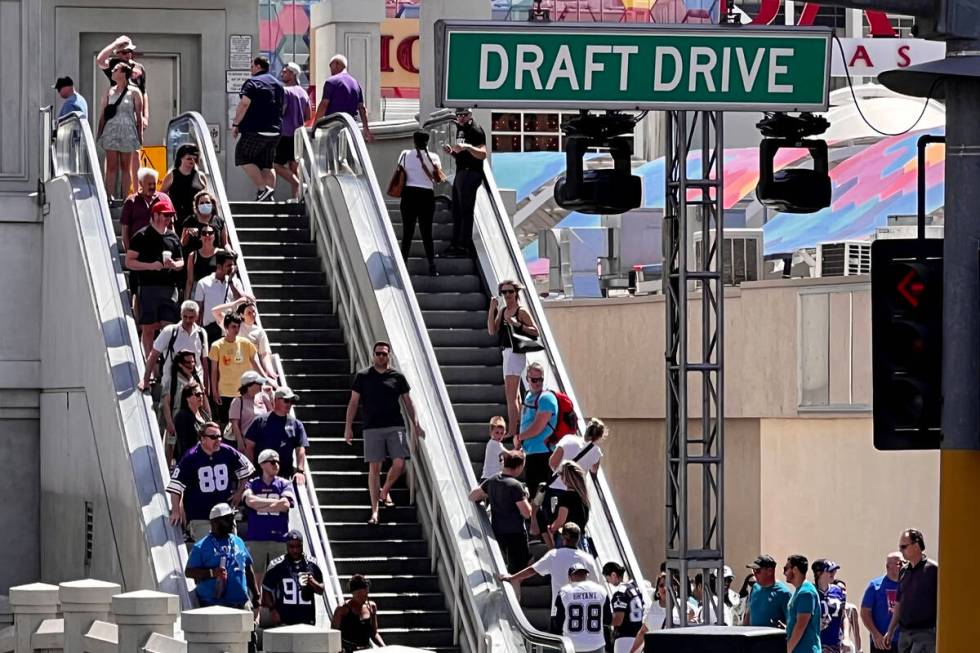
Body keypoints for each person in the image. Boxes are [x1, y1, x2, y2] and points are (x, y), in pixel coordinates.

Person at [344, 341, 424, 524]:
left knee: (399, 463)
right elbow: (354, 402)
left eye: (384, 354)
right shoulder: (363, 376)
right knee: (374, 468)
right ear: (373, 355)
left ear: (389, 356)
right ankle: (375, 511)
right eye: (378, 354)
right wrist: (348, 427)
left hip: (395, 425)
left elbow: (408, 401)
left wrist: (416, 424)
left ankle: (384, 490)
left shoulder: (397, 376)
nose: (381, 357)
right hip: (372, 427)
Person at [167, 423, 255, 541]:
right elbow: (176, 487)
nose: (218, 440)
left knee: (230, 550)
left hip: (225, 515)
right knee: (210, 549)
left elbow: (247, 470)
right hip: (201, 517)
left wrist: (239, 492)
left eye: (219, 436)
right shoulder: (191, 457)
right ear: (202, 438)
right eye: (213, 437)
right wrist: (176, 511)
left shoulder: (228, 451)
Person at [499, 523, 600, 619]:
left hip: (560, 612)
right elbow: (596, 586)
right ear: (577, 539)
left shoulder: (554, 555)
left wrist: (512, 578)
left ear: (563, 538)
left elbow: (532, 570)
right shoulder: (588, 559)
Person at [126, 195, 183, 359]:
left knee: (169, 326)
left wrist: (173, 265)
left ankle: (166, 361)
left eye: (170, 215)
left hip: (169, 288)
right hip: (148, 287)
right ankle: (150, 366)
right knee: (149, 327)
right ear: (156, 215)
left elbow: (182, 262)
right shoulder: (141, 236)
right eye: (166, 215)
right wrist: (150, 266)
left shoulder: (172, 236)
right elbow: (129, 261)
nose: (169, 219)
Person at [487, 279, 539, 436]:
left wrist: (517, 325)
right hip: (506, 352)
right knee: (514, 394)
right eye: (504, 292)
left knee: (511, 395)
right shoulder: (503, 311)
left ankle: (512, 430)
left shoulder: (521, 311)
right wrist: (492, 309)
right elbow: (492, 330)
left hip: (515, 353)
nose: (507, 295)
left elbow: (535, 331)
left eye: (510, 291)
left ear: (516, 292)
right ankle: (523, 424)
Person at [468, 449, 532, 573]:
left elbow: (473, 496)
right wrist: (526, 497)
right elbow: (526, 513)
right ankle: (516, 591)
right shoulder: (516, 486)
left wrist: (488, 495)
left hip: (497, 531)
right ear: (519, 467)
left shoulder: (493, 480)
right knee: (517, 571)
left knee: (504, 565)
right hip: (516, 533)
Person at [544, 416, 604, 545]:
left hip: (555, 488)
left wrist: (562, 475)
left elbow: (552, 462)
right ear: (599, 437)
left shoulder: (568, 439)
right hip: (576, 492)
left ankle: (554, 550)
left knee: (554, 523)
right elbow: (594, 471)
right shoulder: (596, 452)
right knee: (573, 529)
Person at [184, 502, 257, 609]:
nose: (232, 522)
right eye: (228, 519)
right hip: (213, 605)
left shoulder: (238, 541)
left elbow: (248, 568)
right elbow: (189, 572)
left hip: (241, 603)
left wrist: (256, 594)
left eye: (232, 518)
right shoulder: (201, 546)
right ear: (215, 522)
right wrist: (212, 573)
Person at [232, 56, 284, 202]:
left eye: (251, 65)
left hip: (256, 130)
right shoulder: (278, 84)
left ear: (257, 66)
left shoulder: (252, 82)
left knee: (242, 156)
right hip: (275, 131)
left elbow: (244, 104)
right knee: (267, 164)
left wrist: (236, 124)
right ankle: (268, 197)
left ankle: (263, 189)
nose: (250, 68)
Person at [517, 361, 557, 540]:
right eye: (534, 380)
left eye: (540, 379)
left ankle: (544, 533)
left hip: (543, 454)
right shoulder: (528, 397)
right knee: (535, 494)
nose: (537, 383)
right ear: (527, 379)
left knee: (540, 495)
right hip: (532, 453)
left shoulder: (546, 398)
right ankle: (536, 526)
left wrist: (520, 437)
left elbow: (538, 426)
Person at [243, 449, 295, 588]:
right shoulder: (252, 483)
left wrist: (260, 506)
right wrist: (273, 504)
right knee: (255, 578)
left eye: (278, 462)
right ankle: (256, 608)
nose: (276, 465)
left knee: (278, 578)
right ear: (262, 464)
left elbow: (285, 505)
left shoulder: (285, 483)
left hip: (279, 538)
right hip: (257, 537)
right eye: (272, 462)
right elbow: (249, 502)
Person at [396, 130, 443, 275]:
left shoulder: (405, 154)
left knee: (407, 232)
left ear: (414, 141)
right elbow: (437, 179)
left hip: (409, 195)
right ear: (427, 142)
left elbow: (399, 170)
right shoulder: (434, 157)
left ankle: (403, 263)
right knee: (426, 232)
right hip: (427, 196)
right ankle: (432, 265)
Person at [441, 108, 486, 257]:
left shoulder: (475, 130)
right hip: (461, 171)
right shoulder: (460, 130)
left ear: (470, 115)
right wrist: (452, 152)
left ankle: (464, 245)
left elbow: (482, 154)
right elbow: (462, 154)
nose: (460, 118)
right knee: (457, 210)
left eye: (464, 115)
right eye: (458, 115)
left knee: (465, 210)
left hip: (471, 172)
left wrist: (467, 147)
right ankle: (456, 243)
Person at [884, 529, 937, 653]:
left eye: (904, 546)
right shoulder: (904, 571)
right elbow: (899, 603)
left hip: (925, 633)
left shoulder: (933, 570)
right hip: (905, 634)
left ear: (916, 544)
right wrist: (890, 630)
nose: (901, 550)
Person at [98, 61, 144, 200]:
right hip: (111, 131)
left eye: (116, 69)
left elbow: (139, 116)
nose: (112, 71)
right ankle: (108, 196)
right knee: (111, 166)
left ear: (124, 73)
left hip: (127, 132)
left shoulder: (134, 92)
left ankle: (126, 198)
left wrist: (139, 136)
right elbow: (103, 114)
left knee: (126, 167)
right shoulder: (109, 91)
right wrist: (99, 133)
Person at [208, 313, 264, 426]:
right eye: (233, 326)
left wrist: (265, 379)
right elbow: (213, 371)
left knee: (244, 423)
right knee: (226, 424)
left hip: (244, 392)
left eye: (238, 326)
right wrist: (214, 391)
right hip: (225, 392)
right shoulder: (216, 345)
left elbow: (255, 363)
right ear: (226, 327)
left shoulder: (246, 343)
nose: (236, 329)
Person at [140, 300, 208, 392]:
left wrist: (206, 386)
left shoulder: (201, 333)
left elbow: (204, 361)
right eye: (185, 316)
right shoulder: (169, 331)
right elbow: (153, 355)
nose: (188, 320)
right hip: (172, 387)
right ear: (180, 314)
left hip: (195, 388)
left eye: (191, 317)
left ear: (197, 316)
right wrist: (145, 379)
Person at [246, 387, 309, 482]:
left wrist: (300, 471)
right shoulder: (259, 421)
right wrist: (251, 470)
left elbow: (300, 448)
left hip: (284, 477)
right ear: (276, 400)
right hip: (261, 475)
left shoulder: (297, 424)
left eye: (291, 401)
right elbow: (249, 446)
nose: (289, 404)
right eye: (286, 400)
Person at [263, 530, 325, 626]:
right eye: (291, 546)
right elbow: (266, 589)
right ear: (286, 546)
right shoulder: (277, 565)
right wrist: (272, 610)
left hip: (307, 618)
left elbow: (321, 590)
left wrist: (312, 581)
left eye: (298, 546)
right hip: (284, 619)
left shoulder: (312, 564)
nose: (295, 550)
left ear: (302, 545)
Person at [211, 298, 278, 382]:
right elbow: (214, 311)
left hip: (252, 373)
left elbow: (264, 354)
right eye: (249, 313)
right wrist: (234, 303)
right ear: (242, 315)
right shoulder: (234, 325)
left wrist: (269, 370)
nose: (252, 314)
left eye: (254, 312)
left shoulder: (259, 332)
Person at [314, 54, 374, 143]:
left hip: (333, 127)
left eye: (331, 66)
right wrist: (366, 129)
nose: (330, 70)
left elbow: (324, 105)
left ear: (337, 64)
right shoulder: (356, 84)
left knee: (332, 155)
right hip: (351, 128)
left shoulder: (331, 81)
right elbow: (362, 108)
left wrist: (315, 125)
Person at [554, 563, 612, 653]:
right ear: (586, 575)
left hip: (572, 645)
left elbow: (558, 621)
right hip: (596, 644)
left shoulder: (564, 592)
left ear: (570, 577)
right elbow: (608, 619)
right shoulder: (601, 590)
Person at [275, 62, 312, 200]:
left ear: (292, 74)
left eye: (285, 72)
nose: (282, 74)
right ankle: (297, 198)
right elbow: (309, 115)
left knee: (276, 165)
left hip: (285, 134)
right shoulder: (304, 93)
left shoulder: (286, 92)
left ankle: (297, 184)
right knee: (294, 167)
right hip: (299, 135)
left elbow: (281, 111)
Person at [194, 250, 245, 345]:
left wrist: (231, 282)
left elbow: (241, 302)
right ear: (219, 267)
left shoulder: (235, 282)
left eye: (233, 265)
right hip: (211, 331)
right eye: (228, 265)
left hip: (231, 331)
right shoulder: (203, 283)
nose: (232, 268)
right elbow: (199, 310)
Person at [861, 552, 903, 653]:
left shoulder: (907, 584)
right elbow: (865, 613)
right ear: (888, 566)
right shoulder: (875, 586)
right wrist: (875, 634)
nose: (903, 566)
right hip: (881, 643)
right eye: (899, 563)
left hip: (903, 641)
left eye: (905, 563)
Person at [630, 573, 682, 653]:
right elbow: (643, 631)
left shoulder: (683, 606)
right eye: (661, 585)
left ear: (675, 587)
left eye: (669, 584)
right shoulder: (653, 607)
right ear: (657, 590)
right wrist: (632, 651)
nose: (665, 588)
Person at [332, 575, 385, 652]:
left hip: (366, 649)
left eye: (366, 594)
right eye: (360, 595)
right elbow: (334, 634)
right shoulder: (342, 609)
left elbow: (374, 633)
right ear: (353, 593)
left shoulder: (371, 607)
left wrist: (384, 647)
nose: (363, 598)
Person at [161, 144, 207, 230]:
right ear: (181, 158)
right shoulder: (172, 176)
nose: (192, 161)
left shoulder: (200, 176)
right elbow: (161, 196)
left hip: (196, 218)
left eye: (195, 158)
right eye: (189, 158)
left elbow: (206, 197)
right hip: (177, 218)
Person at [604, 561, 646, 653]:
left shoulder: (620, 593)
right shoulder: (635, 588)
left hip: (624, 639)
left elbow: (618, 620)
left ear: (613, 575)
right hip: (638, 639)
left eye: (607, 579)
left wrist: (602, 619)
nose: (608, 582)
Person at [228, 371, 274, 452]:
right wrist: (240, 442)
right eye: (259, 383)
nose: (261, 385)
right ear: (249, 385)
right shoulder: (237, 401)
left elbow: (273, 415)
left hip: (265, 441)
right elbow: (235, 424)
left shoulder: (263, 397)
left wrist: (271, 396)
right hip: (247, 443)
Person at [548, 461, 590, 548]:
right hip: (580, 540)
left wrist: (551, 529)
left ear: (566, 478)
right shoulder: (583, 496)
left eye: (561, 475)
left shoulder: (566, 497)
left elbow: (561, 520)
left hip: (567, 540)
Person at [743, 554, 793, 628]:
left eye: (757, 571)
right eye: (753, 571)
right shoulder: (755, 588)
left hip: (772, 639)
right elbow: (749, 614)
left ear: (770, 571)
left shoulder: (784, 593)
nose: (754, 574)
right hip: (753, 638)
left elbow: (792, 623)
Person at [785, 554, 821, 653]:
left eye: (786, 568)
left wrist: (787, 649)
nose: (784, 573)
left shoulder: (806, 593)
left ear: (795, 570)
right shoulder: (799, 591)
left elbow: (801, 625)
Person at [121, 168, 163, 252]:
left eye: (154, 184)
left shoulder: (163, 199)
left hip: (159, 251)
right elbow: (125, 231)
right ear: (141, 184)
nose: (152, 187)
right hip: (137, 252)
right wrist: (129, 252)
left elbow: (171, 227)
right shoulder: (131, 202)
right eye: (149, 184)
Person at [170, 379, 209, 465]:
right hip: (190, 460)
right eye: (198, 394)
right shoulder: (182, 417)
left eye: (202, 394)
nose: (201, 397)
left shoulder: (204, 415)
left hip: (205, 458)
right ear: (187, 398)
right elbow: (183, 444)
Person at [812, 559, 846, 653]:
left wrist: (846, 637)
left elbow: (844, 616)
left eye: (834, 570)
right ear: (819, 573)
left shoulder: (839, 591)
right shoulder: (811, 592)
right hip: (817, 643)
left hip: (836, 643)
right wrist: (816, 625)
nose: (833, 573)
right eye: (830, 571)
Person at [181, 190, 228, 255]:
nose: (205, 205)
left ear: (213, 205)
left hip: (214, 259)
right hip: (194, 258)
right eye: (201, 203)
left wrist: (229, 250)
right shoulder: (190, 220)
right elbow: (183, 243)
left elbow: (225, 243)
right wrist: (188, 233)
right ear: (197, 206)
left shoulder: (219, 221)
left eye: (207, 202)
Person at [185, 225, 219, 300]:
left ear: (214, 236)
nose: (207, 235)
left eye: (210, 233)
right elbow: (190, 281)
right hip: (198, 293)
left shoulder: (221, 254)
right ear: (200, 237)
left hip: (216, 291)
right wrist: (186, 300)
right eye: (204, 233)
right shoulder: (193, 255)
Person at [481, 416, 507, 482]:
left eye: (502, 433)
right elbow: (508, 454)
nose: (499, 435)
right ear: (491, 432)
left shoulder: (498, 444)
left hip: (491, 478)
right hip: (489, 478)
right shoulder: (494, 444)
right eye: (497, 433)